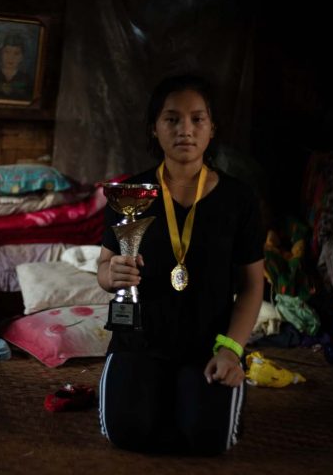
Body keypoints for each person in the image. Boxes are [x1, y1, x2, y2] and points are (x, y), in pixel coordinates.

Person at [96, 74, 265, 455]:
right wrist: (112, 275)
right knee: (126, 431)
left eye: (197, 119)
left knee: (211, 438)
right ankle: (161, 396)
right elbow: (104, 269)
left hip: (208, 345)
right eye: (171, 119)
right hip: (139, 342)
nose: (184, 130)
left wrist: (230, 350)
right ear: (154, 129)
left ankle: (183, 397)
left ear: (211, 128)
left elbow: (253, 285)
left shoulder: (239, 199)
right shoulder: (130, 193)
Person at [0, 32, 33, 101]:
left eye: (16, 53)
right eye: (7, 52)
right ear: (0, 53)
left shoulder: (27, 80)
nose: (11, 57)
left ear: (22, 57)